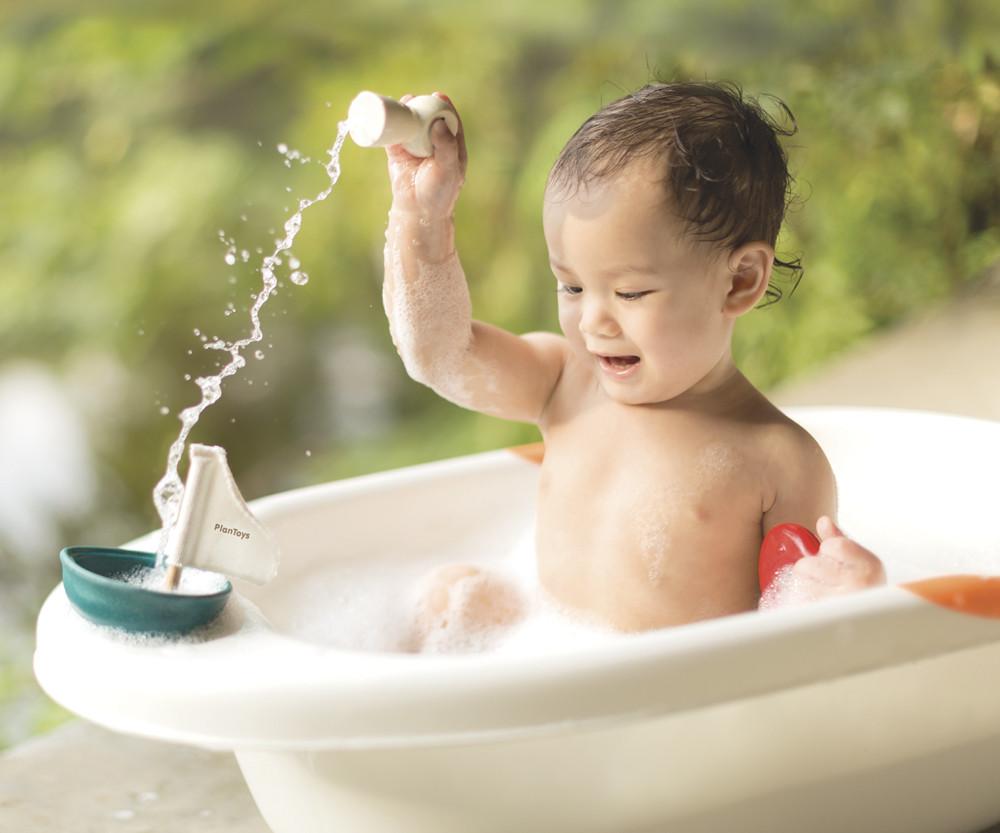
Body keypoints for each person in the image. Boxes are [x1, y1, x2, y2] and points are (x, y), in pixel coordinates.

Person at [379, 81, 885, 647]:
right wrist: (422, 219)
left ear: (740, 281)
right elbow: (438, 354)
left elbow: (794, 640)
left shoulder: (777, 461)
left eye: (631, 293)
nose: (594, 321)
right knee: (450, 594)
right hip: (530, 654)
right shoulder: (564, 382)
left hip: (655, 706)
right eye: (570, 285)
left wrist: (848, 598)